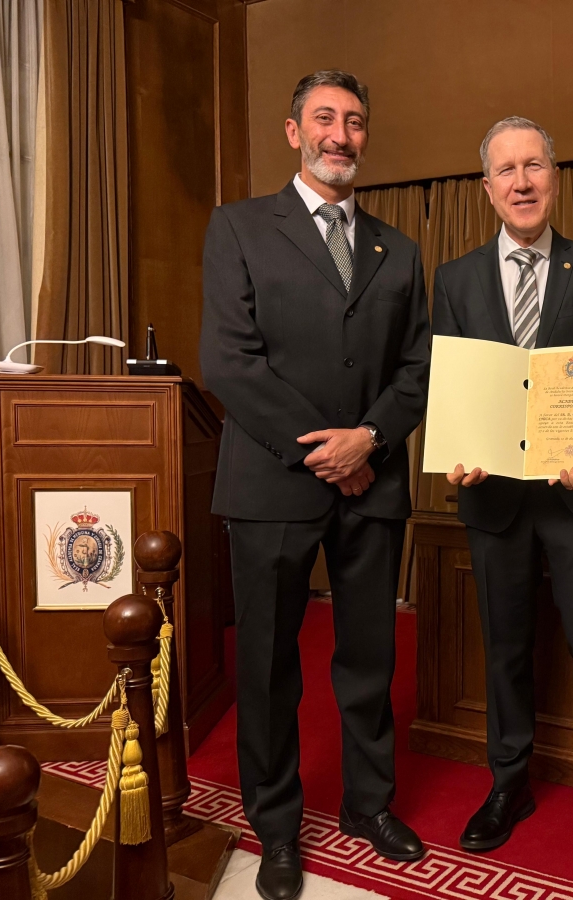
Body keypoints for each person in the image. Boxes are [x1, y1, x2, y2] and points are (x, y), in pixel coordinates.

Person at [200, 70, 430, 900]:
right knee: (267, 668)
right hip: (270, 488)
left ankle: (370, 806)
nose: (342, 134)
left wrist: (368, 438)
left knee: (370, 659)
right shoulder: (238, 229)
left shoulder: (397, 250)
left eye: (356, 122)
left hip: (372, 485)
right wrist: (323, 450)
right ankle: (277, 826)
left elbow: (418, 367)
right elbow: (229, 360)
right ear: (293, 132)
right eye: (325, 119)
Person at [431, 116, 573, 866]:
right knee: (505, 648)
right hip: (493, 499)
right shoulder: (453, 280)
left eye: (534, 166)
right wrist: (456, 453)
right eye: (506, 171)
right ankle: (507, 781)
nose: (521, 182)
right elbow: (447, 385)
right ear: (487, 189)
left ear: (555, 175)